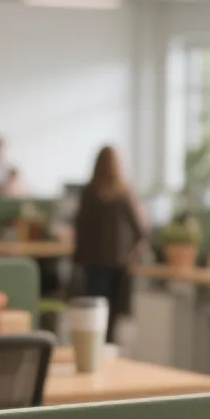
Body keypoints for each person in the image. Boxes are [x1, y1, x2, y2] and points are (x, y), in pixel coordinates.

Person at [72, 146, 149, 343]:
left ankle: (93, 357)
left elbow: (80, 227)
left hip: (93, 263)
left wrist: (78, 260)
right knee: (113, 319)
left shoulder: (89, 192)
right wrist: (132, 256)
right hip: (119, 264)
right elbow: (140, 230)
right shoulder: (125, 192)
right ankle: (110, 359)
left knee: (93, 318)